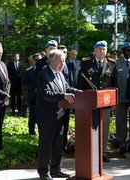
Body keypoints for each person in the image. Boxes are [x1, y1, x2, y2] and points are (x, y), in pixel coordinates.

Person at [36, 49, 82, 180]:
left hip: (60, 117)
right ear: (51, 60)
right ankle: (44, 172)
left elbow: (67, 88)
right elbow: (45, 94)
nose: (63, 64)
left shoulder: (60, 74)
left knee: (58, 145)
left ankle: (56, 170)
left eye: (64, 61)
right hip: (47, 117)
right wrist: (63, 96)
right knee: (45, 146)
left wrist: (83, 92)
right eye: (61, 61)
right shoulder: (43, 75)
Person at [77, 41, 115, 162]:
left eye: (104, 49)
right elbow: (80, 84)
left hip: (106, 102)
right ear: (94, 50)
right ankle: (91, 151)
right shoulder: (86, 63)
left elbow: (115, 85)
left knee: (104, 128)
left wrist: (114, 102)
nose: (102, 51)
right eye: (99, 49)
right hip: (90, 102)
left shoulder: (111, 64)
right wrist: (80, 100)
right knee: (91, 127)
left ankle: (103, 152)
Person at [113, 42, 130, 154]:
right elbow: (114, 81)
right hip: (121, 98)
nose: (127, 52)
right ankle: (122, 144)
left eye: (129, 50)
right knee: (121, 122)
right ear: (122, 52)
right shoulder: (117, 64)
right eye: (125, 50)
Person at [23, 53, 41, 135]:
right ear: (33, 61)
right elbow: (25, 84)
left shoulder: (45, 71)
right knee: (32, 115)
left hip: (43, 97)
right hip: (32, 96)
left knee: (42, 115)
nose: (37, 61)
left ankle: (42, 131)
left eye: (39, 60)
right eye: (36, 60)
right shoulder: (29, 71)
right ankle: (31, 131)